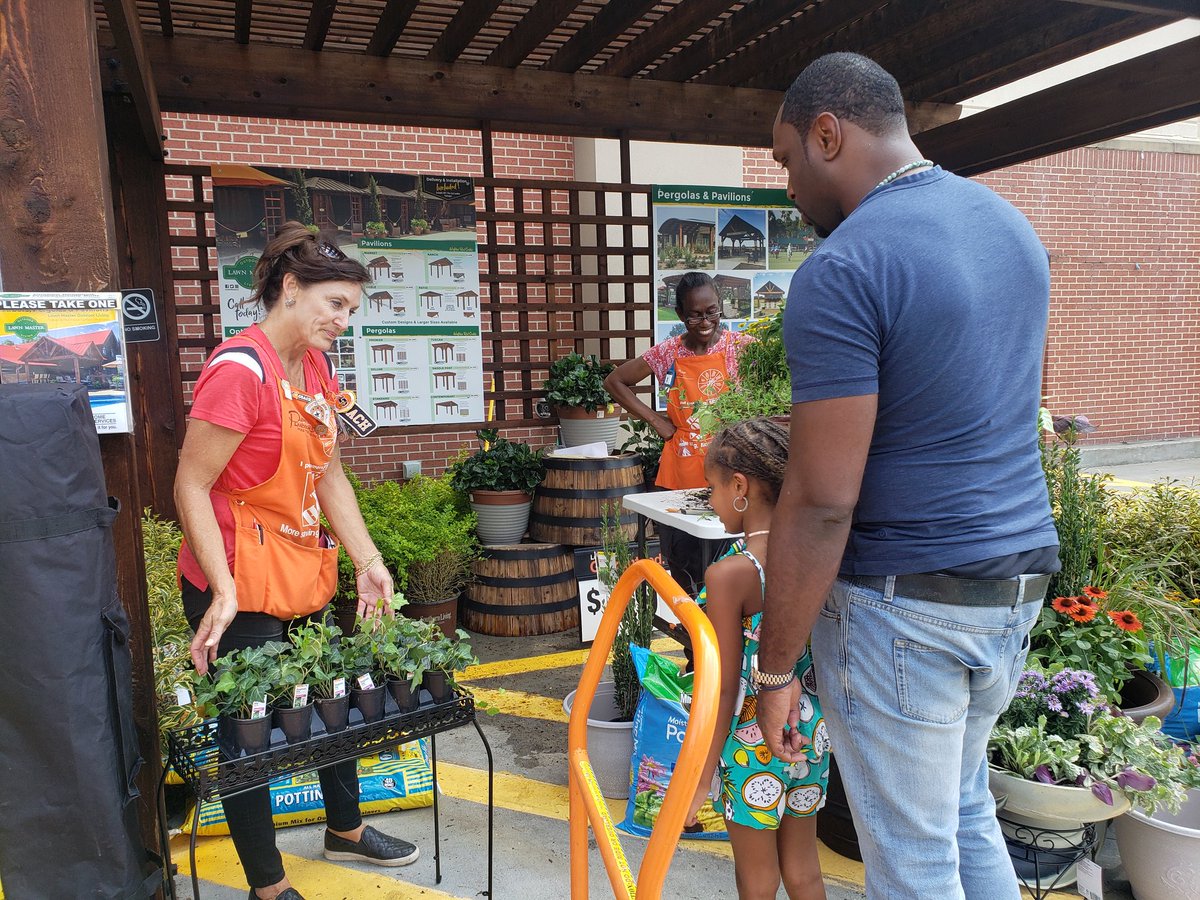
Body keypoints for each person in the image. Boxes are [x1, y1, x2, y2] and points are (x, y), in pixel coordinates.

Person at [752, 53, 1060, 899]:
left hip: (903, 604)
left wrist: (775, 674)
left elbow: (820, 502)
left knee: (912, 857)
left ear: (828, 132)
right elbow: (983, 408)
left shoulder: (845, 266)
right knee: (963, 815)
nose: (786, 189)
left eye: (785, 162)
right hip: (1014, 582)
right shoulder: (1010, 229)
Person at [174, 222, 419, 900]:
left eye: (351, 309)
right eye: (335, 304)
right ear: (290, 288)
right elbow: (190, 485)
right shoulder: (238, 370)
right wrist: (221, 590)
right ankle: (270, 888)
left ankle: (343, 827)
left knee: (332, 696)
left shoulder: (315, 367)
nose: (344, 321)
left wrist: (368, 559)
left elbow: (330, 474)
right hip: (237, 582)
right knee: (250, 735)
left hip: (301, 565)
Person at [686, 418, 828, 900]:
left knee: (756, 877)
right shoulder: (815, 555)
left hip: (751, 742)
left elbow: (724, 687)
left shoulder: (730, 575)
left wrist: (699, 777)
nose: (711, 501)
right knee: (804, 870)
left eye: (712, 488)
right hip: (810, 731)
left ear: (740, 486)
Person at [604, 272, 753, 595]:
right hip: (679, 475)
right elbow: (614, 381)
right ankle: (692, 643)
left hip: (731, 473)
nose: (704, 321)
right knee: (685, 570)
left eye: (711, 311)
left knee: (730, 570)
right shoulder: (668, 352)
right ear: (681, 314)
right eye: (695, 314)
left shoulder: (742, 348)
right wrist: (656, 422)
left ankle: (725, 641)